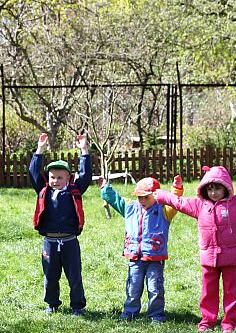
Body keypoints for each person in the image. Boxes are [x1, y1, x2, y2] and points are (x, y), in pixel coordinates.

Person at [155, 166, 236, 333]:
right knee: (208, 292)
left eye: (217, 188)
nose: (213, 193)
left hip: (231, 258)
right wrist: (162, 195)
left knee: (231, 292)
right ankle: (207, 321)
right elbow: (179, 202)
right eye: (209, 189)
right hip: (208, 258)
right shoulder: (199, 205)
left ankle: (229, 322)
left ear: (226, 187)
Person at [100, 173, 184, 322]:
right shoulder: (130, 208)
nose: (142, 200)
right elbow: (115, 200)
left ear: (156, 196)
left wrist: (177, 188)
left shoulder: (164, 211)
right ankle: (130, 312)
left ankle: (156, 315)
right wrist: (105, 188)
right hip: (135, 257)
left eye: (146, 197)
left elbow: (174, 201)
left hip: (155, 258)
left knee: (155, 288)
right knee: (133, 287)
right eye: (140, 197)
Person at [27, 132, 91, 314]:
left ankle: (78, 306)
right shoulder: (44, 191)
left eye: (60, 177)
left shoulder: (74, 190)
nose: (55, 181)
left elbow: (85, 175)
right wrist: (39, 149)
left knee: (74, 276)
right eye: (52, 177)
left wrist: (84, 151)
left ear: (69, 178)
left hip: (70, 242)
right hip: (50, 242)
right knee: (50, 276)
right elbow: (33, 172)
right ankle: (52, 303)